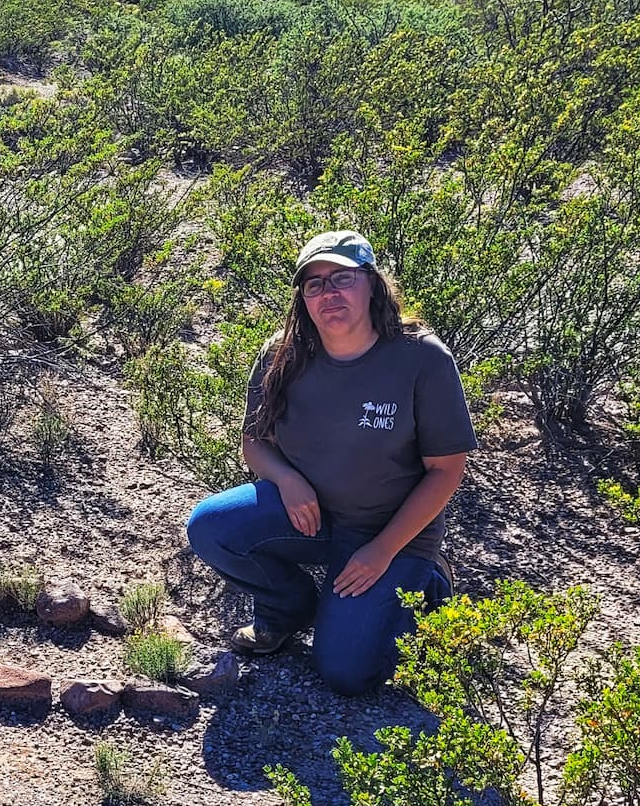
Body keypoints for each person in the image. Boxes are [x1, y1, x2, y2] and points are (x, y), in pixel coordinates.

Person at [186, 229, 476, 695]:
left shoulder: (420, 358)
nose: (328, 293)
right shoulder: (284, 352)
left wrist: (381, 551)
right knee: (211, 527)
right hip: (310, 515)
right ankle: (288, 609)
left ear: (372, 284)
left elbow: (447, 470)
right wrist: (286, 479)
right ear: (303, 297)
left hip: (389, 531)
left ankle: (428, 582)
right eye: (314, 283)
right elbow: (254, 442)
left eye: (342, 278)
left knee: (347, 675)